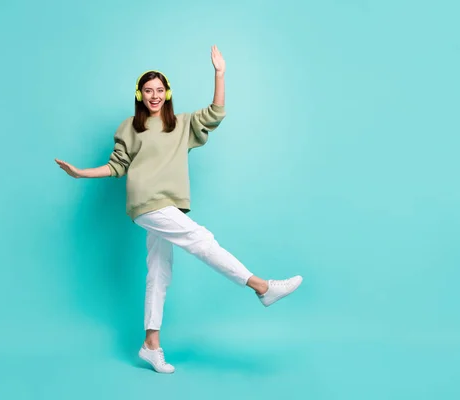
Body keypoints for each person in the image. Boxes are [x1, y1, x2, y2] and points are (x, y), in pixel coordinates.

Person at [55, 45, 303, 374]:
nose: (154, 95)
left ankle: (150, 345)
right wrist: (82, 172)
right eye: (148, 90)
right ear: (139, 95)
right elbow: (117, 166)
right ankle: (261, 286)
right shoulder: (130, 127)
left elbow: (216, 112)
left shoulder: (181, 124)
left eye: (159, 90)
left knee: (159, 274)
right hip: (147, 203)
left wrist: (219, 73)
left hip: (169, 205)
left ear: (167, 93)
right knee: (200, 239)